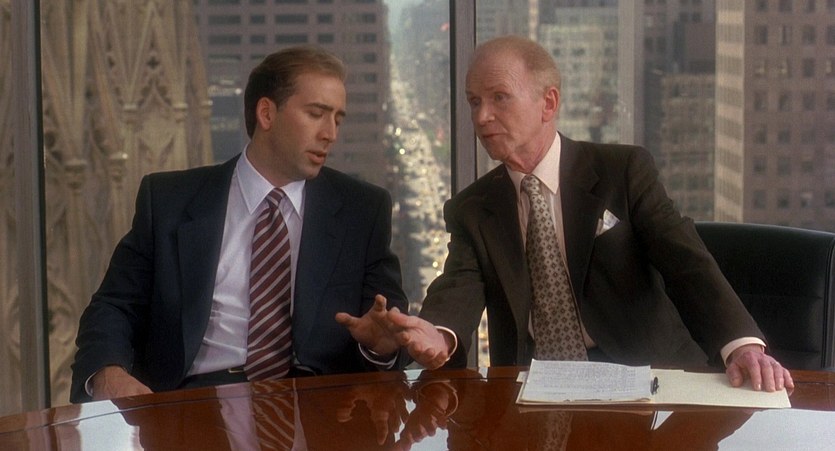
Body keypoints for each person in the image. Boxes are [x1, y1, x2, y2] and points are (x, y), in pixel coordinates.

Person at [380, 35, 793, 392]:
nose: (481, 116)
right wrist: (439, 333)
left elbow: (685, 261)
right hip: (534, 389)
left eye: (499, 97)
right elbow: (459, 285)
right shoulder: (473, 207)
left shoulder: (623, 171)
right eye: (474, 102)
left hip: (647, 380)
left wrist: (741, 345)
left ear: (548, 103)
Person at [70, 45, 407, 403]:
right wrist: (108, 373)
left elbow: (386, 323)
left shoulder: (362, 210)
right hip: (192, 401)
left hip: (317, 403)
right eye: (316, 114)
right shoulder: (169, 201)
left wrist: (381, 346)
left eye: (338, 119)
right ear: (267, 114)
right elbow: (114, 306)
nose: (330, 133)